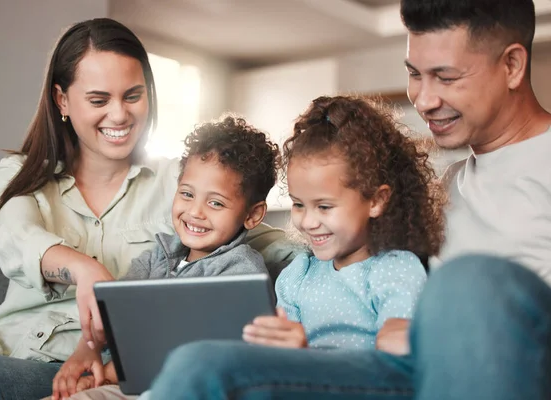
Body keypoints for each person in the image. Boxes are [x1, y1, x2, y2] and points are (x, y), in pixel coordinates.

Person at [147, 0, 551, 399]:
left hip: (501, 368)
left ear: (512, 65)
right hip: (401, 371)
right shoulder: (448, 187)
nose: (424, 100)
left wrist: (433, 331)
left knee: (472, 278)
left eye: (445, 77)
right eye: (414, 74)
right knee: (201, 365)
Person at [0, 19, 295, 400]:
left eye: (133, 96)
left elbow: (267, 240)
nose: (119, 116)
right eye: (99, 100)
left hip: (64, 366)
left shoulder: (179, 183)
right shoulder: (21, 173)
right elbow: (16, 239)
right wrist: (84, 269)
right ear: (62, 100)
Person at [50, 115, 281, 400]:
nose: (195, 212)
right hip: (128, 381)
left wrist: (107, 375)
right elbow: (111, 315)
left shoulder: (241, 272)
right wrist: (87, 353)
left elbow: (201, 352)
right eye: (186, 194)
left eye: (215, 203)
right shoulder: (158, 254)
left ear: (252, 215)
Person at [240, 95, 444, 351]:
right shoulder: (297, 274)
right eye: (299, 204)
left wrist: (305, 357)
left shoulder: (395, 268)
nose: (309, 221)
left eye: (324, 207)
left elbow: (396, 361)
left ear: (376, 201)